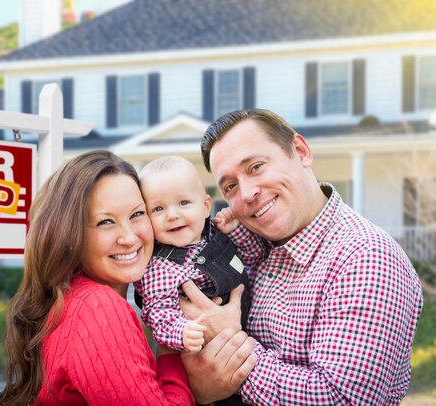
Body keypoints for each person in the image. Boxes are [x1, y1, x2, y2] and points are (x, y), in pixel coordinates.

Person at [179, 108, 424, 405]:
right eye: (230, 186)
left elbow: (340, 399)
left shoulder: (366, 258)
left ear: (300, 151)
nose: (246, 194)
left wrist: (228, 345)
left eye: (256, 167)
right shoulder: (252, 247)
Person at [0, 150, 250, 405]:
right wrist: (178, 363)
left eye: (137, 214)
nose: (129, 238)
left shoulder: (73, 296)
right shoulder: (98, 308)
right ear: (70, 234)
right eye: (105, 222)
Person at [134, 156, 251, 354]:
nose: (172, 215)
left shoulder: (216, 233)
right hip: (207, 349)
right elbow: (158, 314)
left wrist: (235, 230)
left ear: (205, 207)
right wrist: (182, 332)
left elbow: (250, 258)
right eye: (158, 209)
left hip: (251, 331)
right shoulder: (159, 267)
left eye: (184, 202)